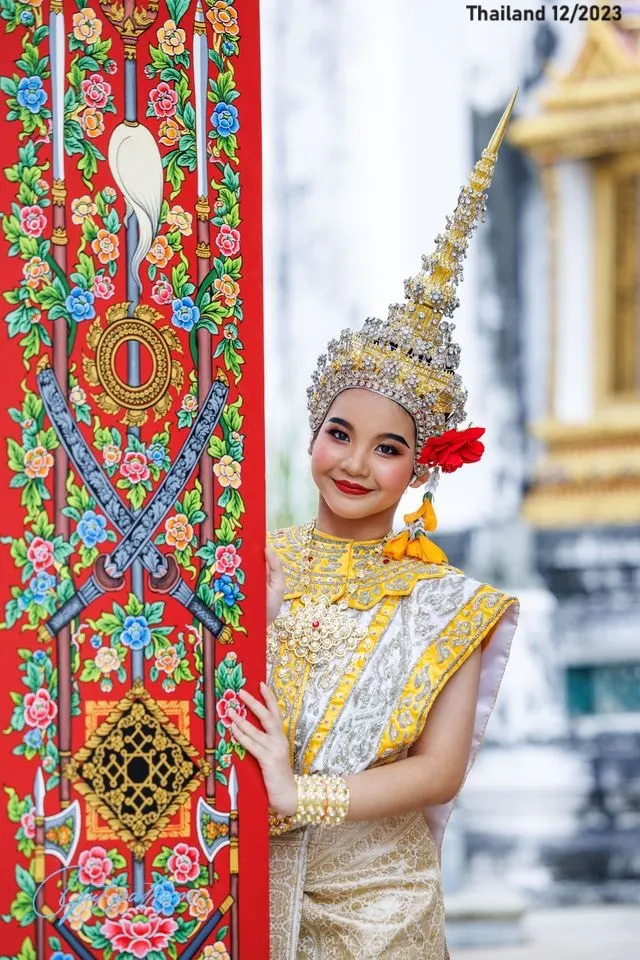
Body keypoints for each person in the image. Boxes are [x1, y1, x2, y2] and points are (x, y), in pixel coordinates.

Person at [226, 92, 520, 959]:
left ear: (422, 468)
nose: (355, 463)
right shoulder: (254, 563)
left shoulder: (447, 603)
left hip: (379, 912)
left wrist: (298, 792)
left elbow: (439, 771)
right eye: (339, 433)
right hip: (242, 886)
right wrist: (258, 613)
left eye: (387, 447)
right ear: (311, 434)